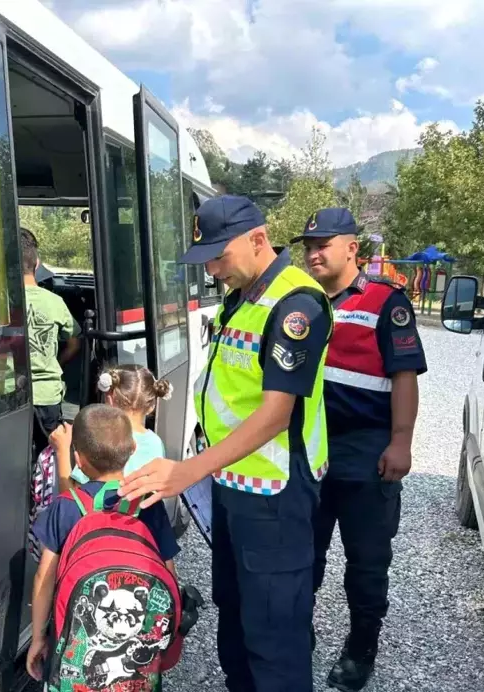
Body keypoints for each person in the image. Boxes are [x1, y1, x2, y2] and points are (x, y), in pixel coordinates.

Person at [118, 194, 334, 692]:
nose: (214, 269)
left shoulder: (295, 303)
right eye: (207, 259)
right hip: (234, 488)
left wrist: (187, 471)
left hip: (276, 496)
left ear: (258, 239)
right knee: (235, 621)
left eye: (221, 255)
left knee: (274, 638)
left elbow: (276, 414)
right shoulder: (245, 293)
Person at [291, 208, 427, 691]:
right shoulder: (300, 302)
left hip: (365, 453)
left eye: (323, 244)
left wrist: (401, 441)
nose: (313, 252)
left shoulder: (384, 302)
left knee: (366, 561)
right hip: (309, 453)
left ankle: (361, 647)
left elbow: (404, 375)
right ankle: (296, 632)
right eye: (308, 244)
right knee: (303, 554)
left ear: (352, 248)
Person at [26, 403, 180, 685]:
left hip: (73, 651)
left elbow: (43, 579)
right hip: (137, 667)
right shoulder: (148, 505)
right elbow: (167, 573)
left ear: (78, 459)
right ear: (133, 448)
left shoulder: (67, 507)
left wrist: (37, 638)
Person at [0, 230, 81, 457]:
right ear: (36, 264)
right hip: (48, 395)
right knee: (48, 458)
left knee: (13, 456)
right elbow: (75, 342)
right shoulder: (56, 302)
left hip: (9, 394)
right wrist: (54, 362)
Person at [52, 364, 173, 492]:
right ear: (151, 406)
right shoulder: (156, 443)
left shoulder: (101, 437)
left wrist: (62, 451)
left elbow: (72, 499)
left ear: (109, 399)